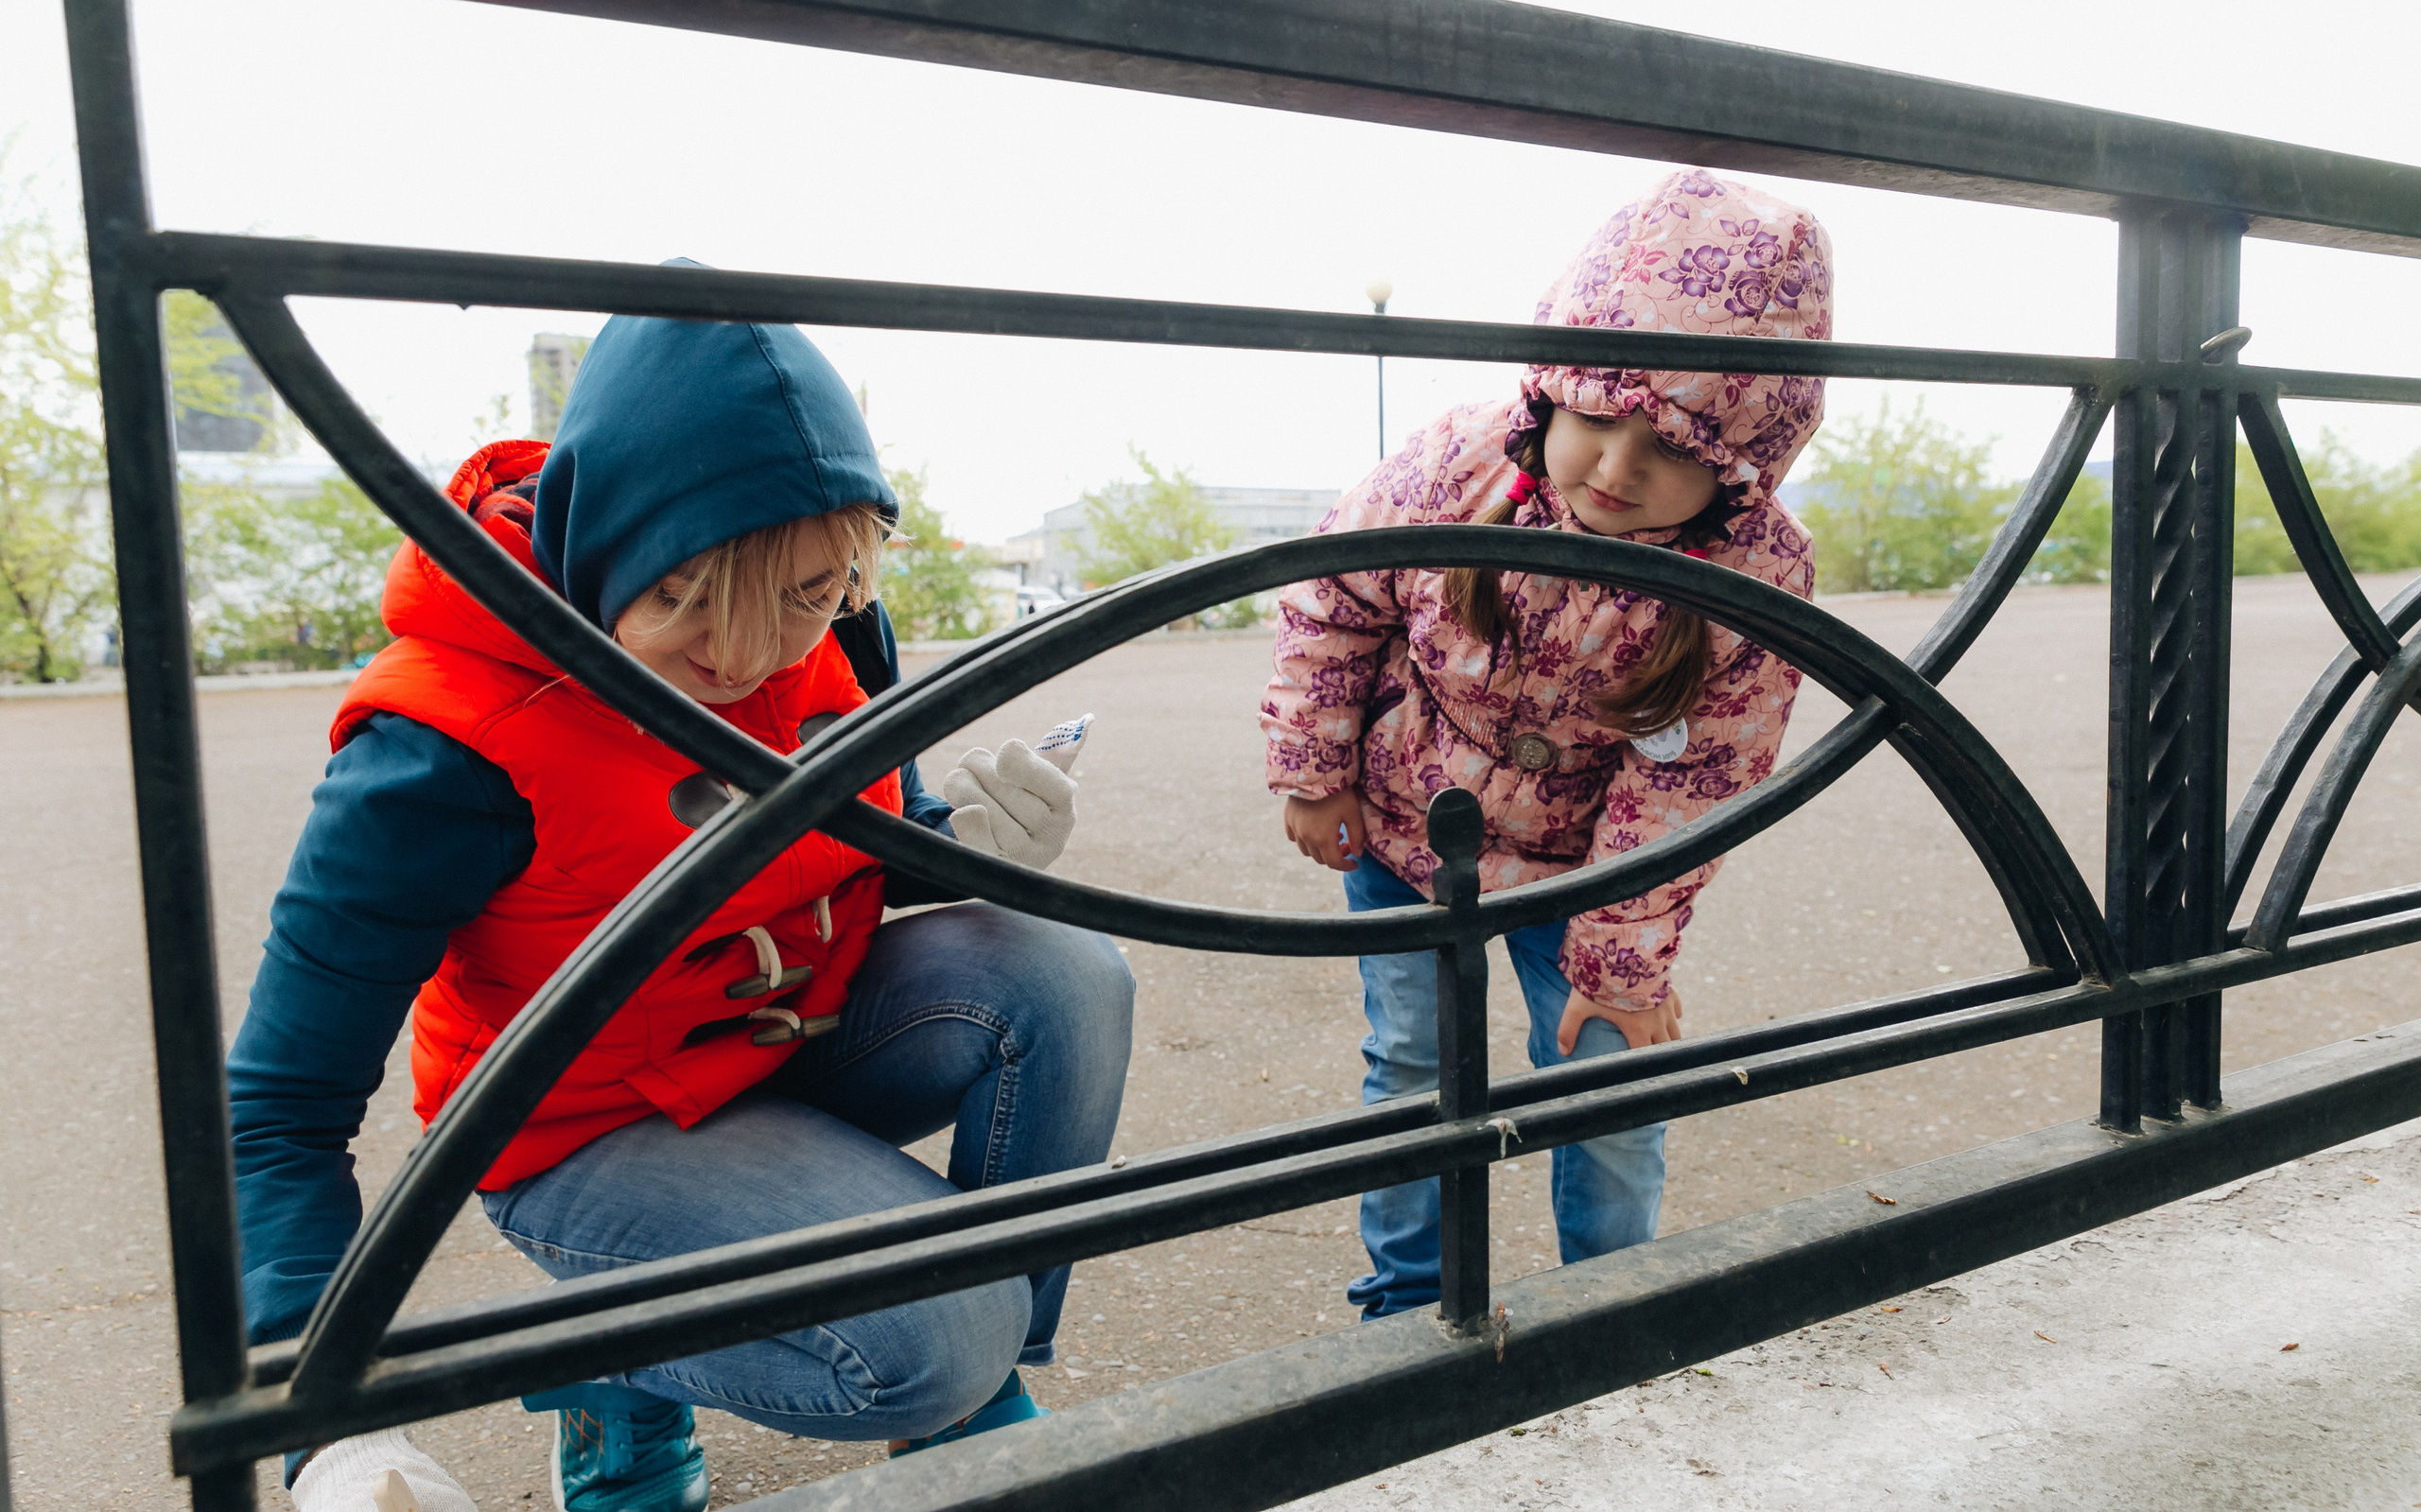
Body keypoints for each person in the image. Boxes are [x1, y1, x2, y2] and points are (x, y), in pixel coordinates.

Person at [228, 289, 1134, 1512]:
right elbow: (281, 1103)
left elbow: (847, 841)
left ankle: (956, 1395)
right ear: (606, 541)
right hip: (583, 1127)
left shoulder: (820, 609)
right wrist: (324, 1419)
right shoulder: (440, 745)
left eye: (810, 596)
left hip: (773, 1038)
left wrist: (961, 838)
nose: (750, 655)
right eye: (688, 602)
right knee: (941, 1331)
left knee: (1069, 970)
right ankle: (606, 1347)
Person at [1259, 170, 1831, 1319]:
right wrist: (1314, 770)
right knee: (1414, 1070)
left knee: (1610, 1072)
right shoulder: (1465, 463)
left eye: (1667, 450)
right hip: (1408, 828)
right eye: (1598, 419)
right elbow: (1334, 599)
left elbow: (1695, 781)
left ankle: (1607, 1311)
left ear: (1740, 465)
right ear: (1552, 391)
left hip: (1587, 865)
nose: (1615, 473)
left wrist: (1621, 962)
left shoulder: (1752, 571)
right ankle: (1408, 1306)